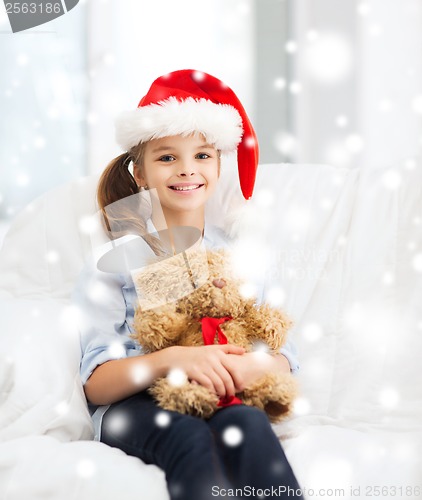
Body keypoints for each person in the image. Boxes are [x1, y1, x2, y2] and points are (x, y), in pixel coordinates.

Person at [74, 69, 303, 500]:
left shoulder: (239, 258)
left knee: (249, 424)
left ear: (218, 166)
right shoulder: (116, 263)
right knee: (188, 437)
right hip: (136, 404)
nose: (186, 170)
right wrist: (174, 358)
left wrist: (248, 366)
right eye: (166, 158)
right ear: (140, 173)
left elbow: (284, 357)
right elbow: (96, 382)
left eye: (202, 156)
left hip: (220, 394)